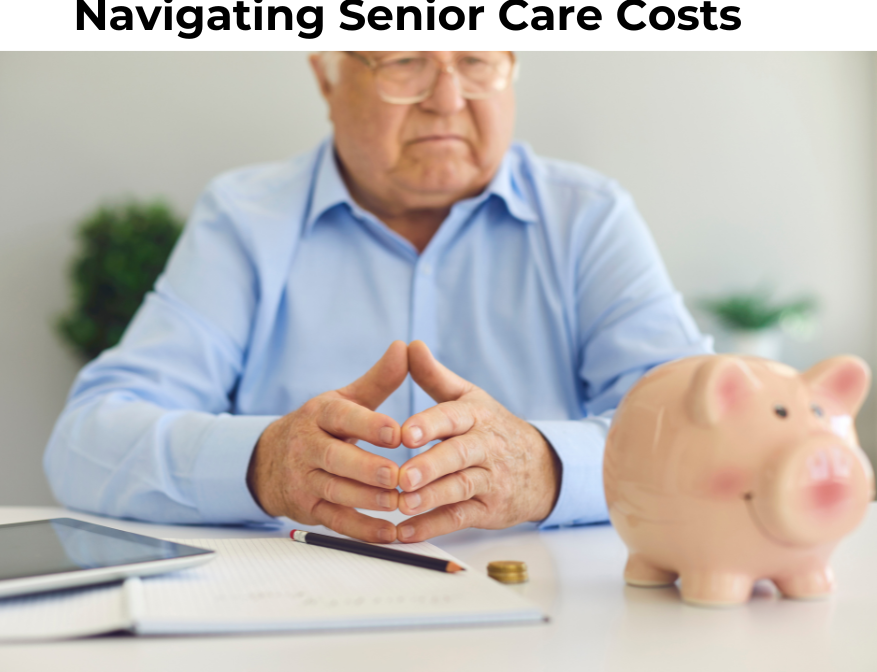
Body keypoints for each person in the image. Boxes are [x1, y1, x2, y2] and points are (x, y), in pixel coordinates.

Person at [44, 51, 711, 544]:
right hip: (295, 625)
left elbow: (704, 436)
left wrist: (544, 467)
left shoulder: (587, 217)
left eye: (478, 60)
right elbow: (84, 442)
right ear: (325, 76)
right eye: (406, 61)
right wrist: (261, 465)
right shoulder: (244, 219)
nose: (448, 99)